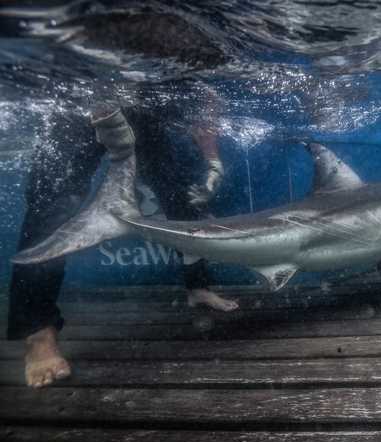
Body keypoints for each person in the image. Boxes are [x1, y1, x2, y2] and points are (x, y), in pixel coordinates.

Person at [8, 86, 238, 388]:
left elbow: (205, 105)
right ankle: (38, 330)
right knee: (52, 203)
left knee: (183, 196)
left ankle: (198, 286)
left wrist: (213, 160)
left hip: (145, 107)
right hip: (77, 102)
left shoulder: (188, 71)